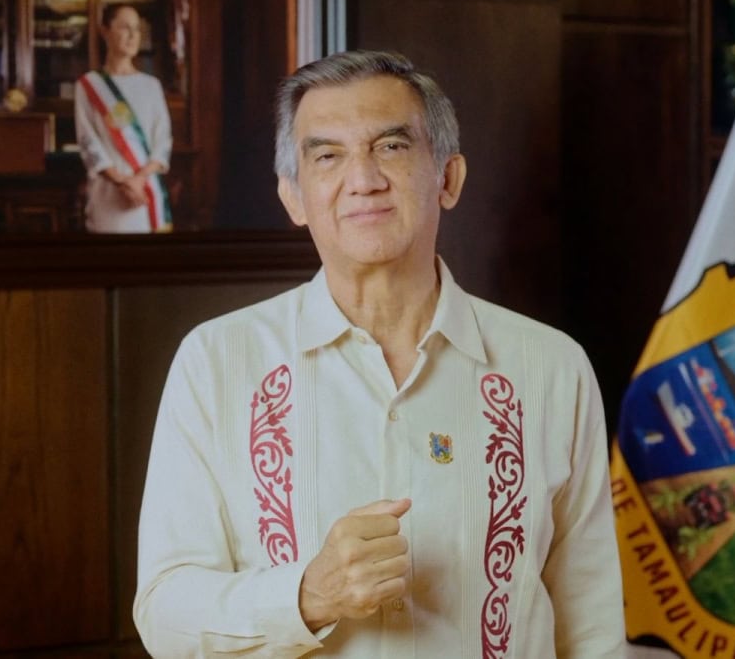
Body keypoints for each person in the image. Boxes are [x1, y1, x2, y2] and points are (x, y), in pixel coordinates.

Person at [133, 50, 625, 657]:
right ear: (293, 197)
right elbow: (164, 614)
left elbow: (593, 626)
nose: (363, 179)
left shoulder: (551, 367)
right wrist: (307, 596)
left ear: (448, 178)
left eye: (391, 147)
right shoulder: (217, 362)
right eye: (327, 156)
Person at [74, 4, 172, 233]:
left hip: (146, 191)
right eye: (125, 27)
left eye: (137, 29)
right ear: (105, 31)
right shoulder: (89, 85)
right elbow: (88, 142)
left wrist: (139, 180)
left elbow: (163, 141)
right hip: (109, 195)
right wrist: (122, 181)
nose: (133, 35)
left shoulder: (151, 86)